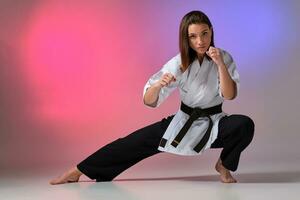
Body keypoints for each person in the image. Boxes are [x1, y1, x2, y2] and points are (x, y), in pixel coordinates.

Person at [49, 10, 254, 185]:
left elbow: (230, 94)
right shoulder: (178, 63)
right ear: (186, 38)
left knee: (244, 125)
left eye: (204, 34)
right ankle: (77, 171)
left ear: (211, 32)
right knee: (131, 144)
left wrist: (219, 64)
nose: (200, 41)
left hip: (214, 122)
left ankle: (224, 166)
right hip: (184, 121)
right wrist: (158, 85)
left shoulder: (223, 57)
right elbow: (149, 101)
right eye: (193, 36)